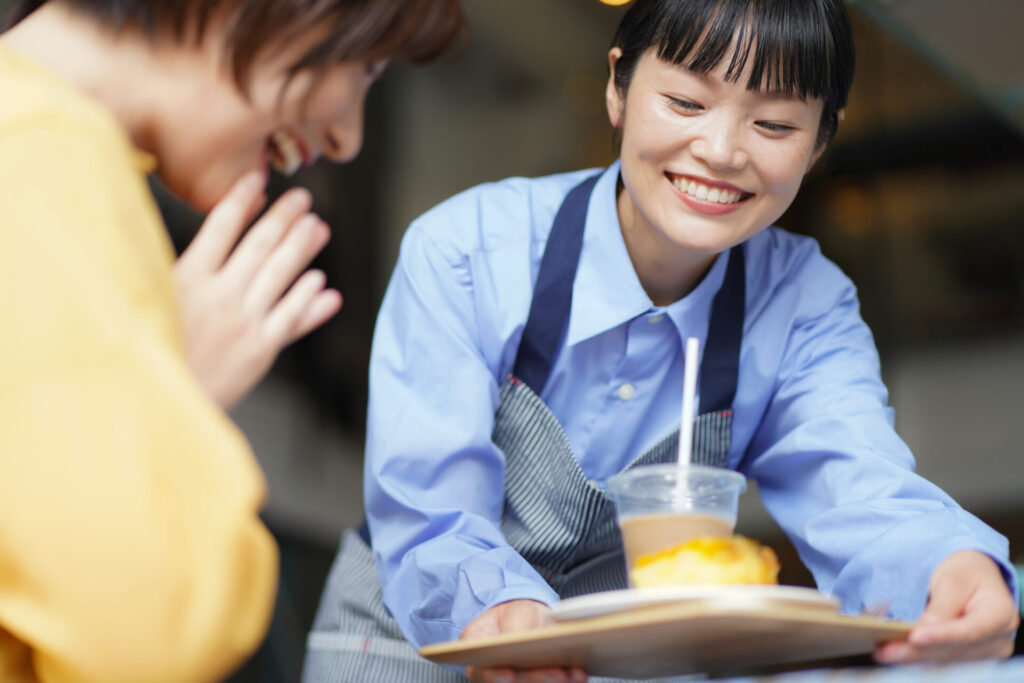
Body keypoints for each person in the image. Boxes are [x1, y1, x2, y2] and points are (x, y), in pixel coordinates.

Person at [305, 0, 1020, 681]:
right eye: (685, 102)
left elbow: (860, 487)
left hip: (617, 662)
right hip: (405, 641)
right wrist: (503, 609)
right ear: (618, 88)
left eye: (773, 125)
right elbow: (430, 503)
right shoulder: (466, 251)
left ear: (821, 141)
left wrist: (950, 566)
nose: (720, 151)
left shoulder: (804, 305)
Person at [0, 0, 464, 680]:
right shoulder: (42, 160)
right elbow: (148, 636)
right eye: (364, 67)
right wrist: (170, 410)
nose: (348, 137)